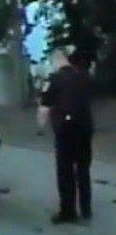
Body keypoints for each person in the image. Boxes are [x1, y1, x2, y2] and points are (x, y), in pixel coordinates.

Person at [38, 47, 94, 224]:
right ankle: (86, 209)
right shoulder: (83, 77)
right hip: (85, 128)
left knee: (66, 171)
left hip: (66, 130)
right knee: (83, 170)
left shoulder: (54, 79)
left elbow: (44, 108)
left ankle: (68, 211)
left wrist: (40, 127)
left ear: (56, 60)